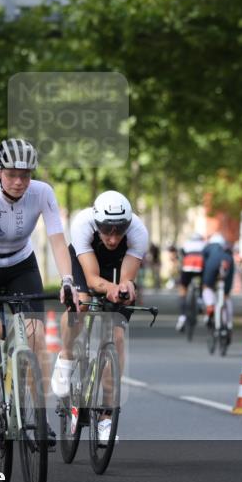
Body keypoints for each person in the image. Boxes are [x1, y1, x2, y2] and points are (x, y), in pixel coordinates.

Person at [0, 138, 74, 441]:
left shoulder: (42, 193)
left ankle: (38, 416)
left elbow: (58, 241)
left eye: (26, 175)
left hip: (22, 267)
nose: (19, 182)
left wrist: (67, 281)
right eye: (12, 174)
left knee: (35, 338)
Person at [51, 190, 147, 443]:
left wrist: (125, 288)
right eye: (107, 230)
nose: (113, 238)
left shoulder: (138, 232)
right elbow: (92, 279)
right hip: (86, 265)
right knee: (80, 305)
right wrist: (109, 289)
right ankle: (67, 357)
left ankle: (106, 414)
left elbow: (126, 278)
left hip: (117, 269)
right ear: (97, 223)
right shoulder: (83, 224)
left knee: (117, 338)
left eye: (119, 231)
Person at [201, 232, 235, 341]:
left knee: (207, 287)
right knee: (226, 295)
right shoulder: (226, 247)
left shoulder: (208, 247)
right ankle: (228, 323)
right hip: (227, 261)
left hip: (212, 263)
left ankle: (210, 305)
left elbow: (203, 263)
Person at [175, 232, 207, 332]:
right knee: (204, 283)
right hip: (200, 267)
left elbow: (180, 255)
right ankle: (201, 299)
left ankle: (182, 316)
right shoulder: (204, 244)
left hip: (187, 266)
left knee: (183, 288)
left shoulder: (186, 243)